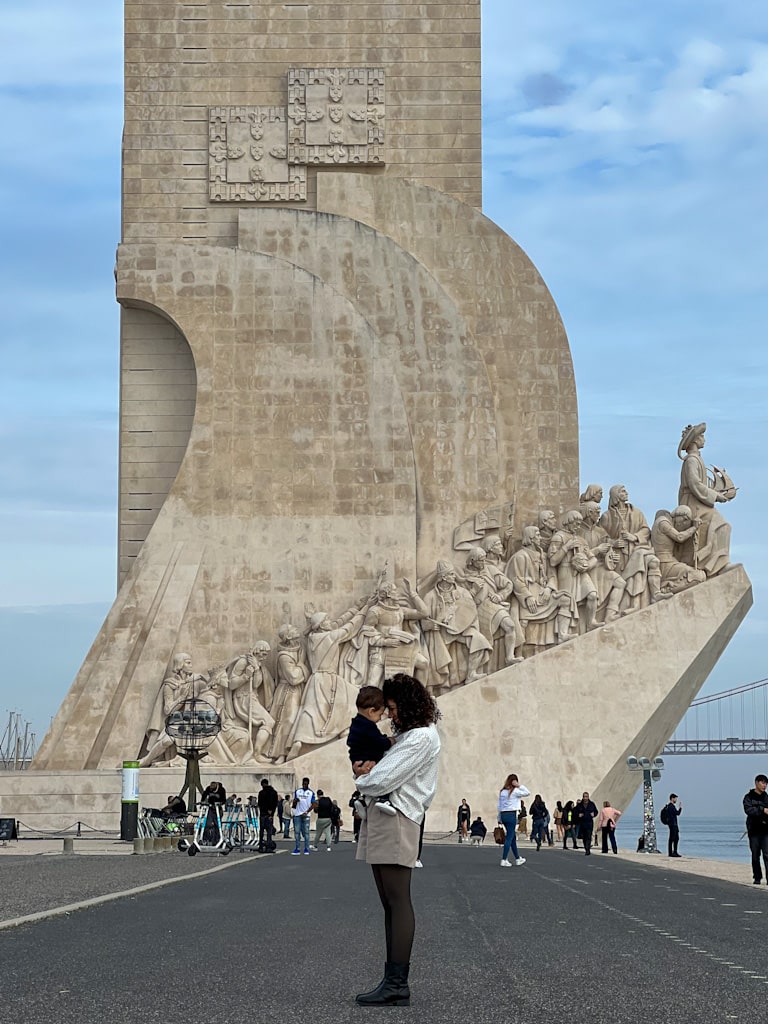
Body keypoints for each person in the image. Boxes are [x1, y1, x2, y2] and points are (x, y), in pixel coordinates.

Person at [352, 673, 441, 1006]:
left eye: (391, 707)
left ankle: (397, 984)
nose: (389, 715)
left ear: (406, 704)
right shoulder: (410, 736)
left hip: (398, 819)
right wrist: (369, 775)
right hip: (389, 818)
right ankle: (392, 981)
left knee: (398, 900)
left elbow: (382, 779)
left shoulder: (420, 737)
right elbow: (378, 775)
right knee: (390, 903)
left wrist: (364, 778)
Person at [347, 685, 397, 818]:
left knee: (366, 780)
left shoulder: (356, 723)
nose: (380, 718)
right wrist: (390, 741)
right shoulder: (368, 726)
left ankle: (362, 801)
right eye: (380, 714)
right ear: (371, 711)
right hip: (367, 758)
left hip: (357, 757)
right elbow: (380, 743)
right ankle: (384, 799)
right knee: (382, 776)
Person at [497, 774, 529, 867]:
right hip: (511, 814)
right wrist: (519, 786)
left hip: (503, 814)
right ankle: (504, 859)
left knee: (512, 837)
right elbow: (527, 792)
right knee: (509, 837)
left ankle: (517, 858)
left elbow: (499, 805)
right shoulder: (515, 791)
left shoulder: (503, 792)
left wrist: (499, 818)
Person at [743, 774, 768, 884]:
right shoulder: (748, 797)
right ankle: (757, 877)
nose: (764, 785)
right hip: (753, 831)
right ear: (756, 783)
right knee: (755, 855)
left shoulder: (766, 797)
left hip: (766, 830)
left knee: (767, 855)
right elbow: (749, 811)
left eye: (766, 783)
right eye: (762, 783)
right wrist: (762, 810)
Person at [291, 776, 316, 856]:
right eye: (303, 784)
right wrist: (295, 801)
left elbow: (314, 804)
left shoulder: (311, 793)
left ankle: (306, 849)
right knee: (297, 832)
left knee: (306, 832)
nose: (304, 785)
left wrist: (307, 811)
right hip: (298, 814)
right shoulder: (298, 791)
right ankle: (297, 848)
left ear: (308, 784)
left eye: (306, 784)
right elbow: (294, 803)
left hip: (306, 814)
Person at [256, 777, 278, 852]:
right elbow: (275, 803)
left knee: (261, 831)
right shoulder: (274, 792)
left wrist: (264, 810)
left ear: (262, 785)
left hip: (263, 813)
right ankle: (268, 847)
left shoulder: (261, 793)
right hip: (270, 814)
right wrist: (271, 813)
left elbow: (260, 804)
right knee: (269, 831)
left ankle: (261, 846)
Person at [662, 793, 683, 857]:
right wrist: (680, 808)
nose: (676, 800)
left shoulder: (670, 806)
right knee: (672, 838)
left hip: (673, 824)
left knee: (676, 838)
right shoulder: (671, 806)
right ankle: (671, 853)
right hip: (672, 824)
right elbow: (677, 813)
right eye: (675, 798)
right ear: (672, 798)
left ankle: (674, 852)